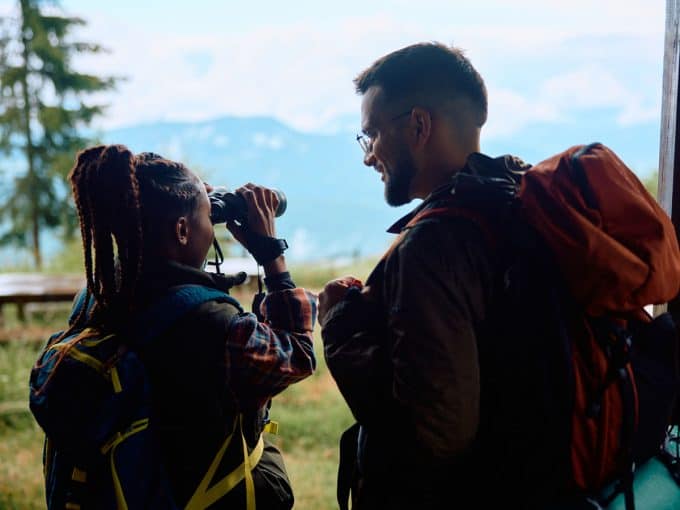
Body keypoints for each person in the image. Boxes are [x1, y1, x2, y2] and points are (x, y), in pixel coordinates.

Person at [32, 144, 317, 509]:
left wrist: (192, 199)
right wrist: (272, 256)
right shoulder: (211, 324)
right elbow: (298, 354)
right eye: (206, 215)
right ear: (182, 230)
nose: (211, 226)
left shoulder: (97, 294)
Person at [318, 42, 529, 509]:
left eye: (370, 134)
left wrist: (339, 325)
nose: (368, 155)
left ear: (418, 125)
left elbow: (435, 436)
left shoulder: (433, 245)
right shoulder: (517, 200)